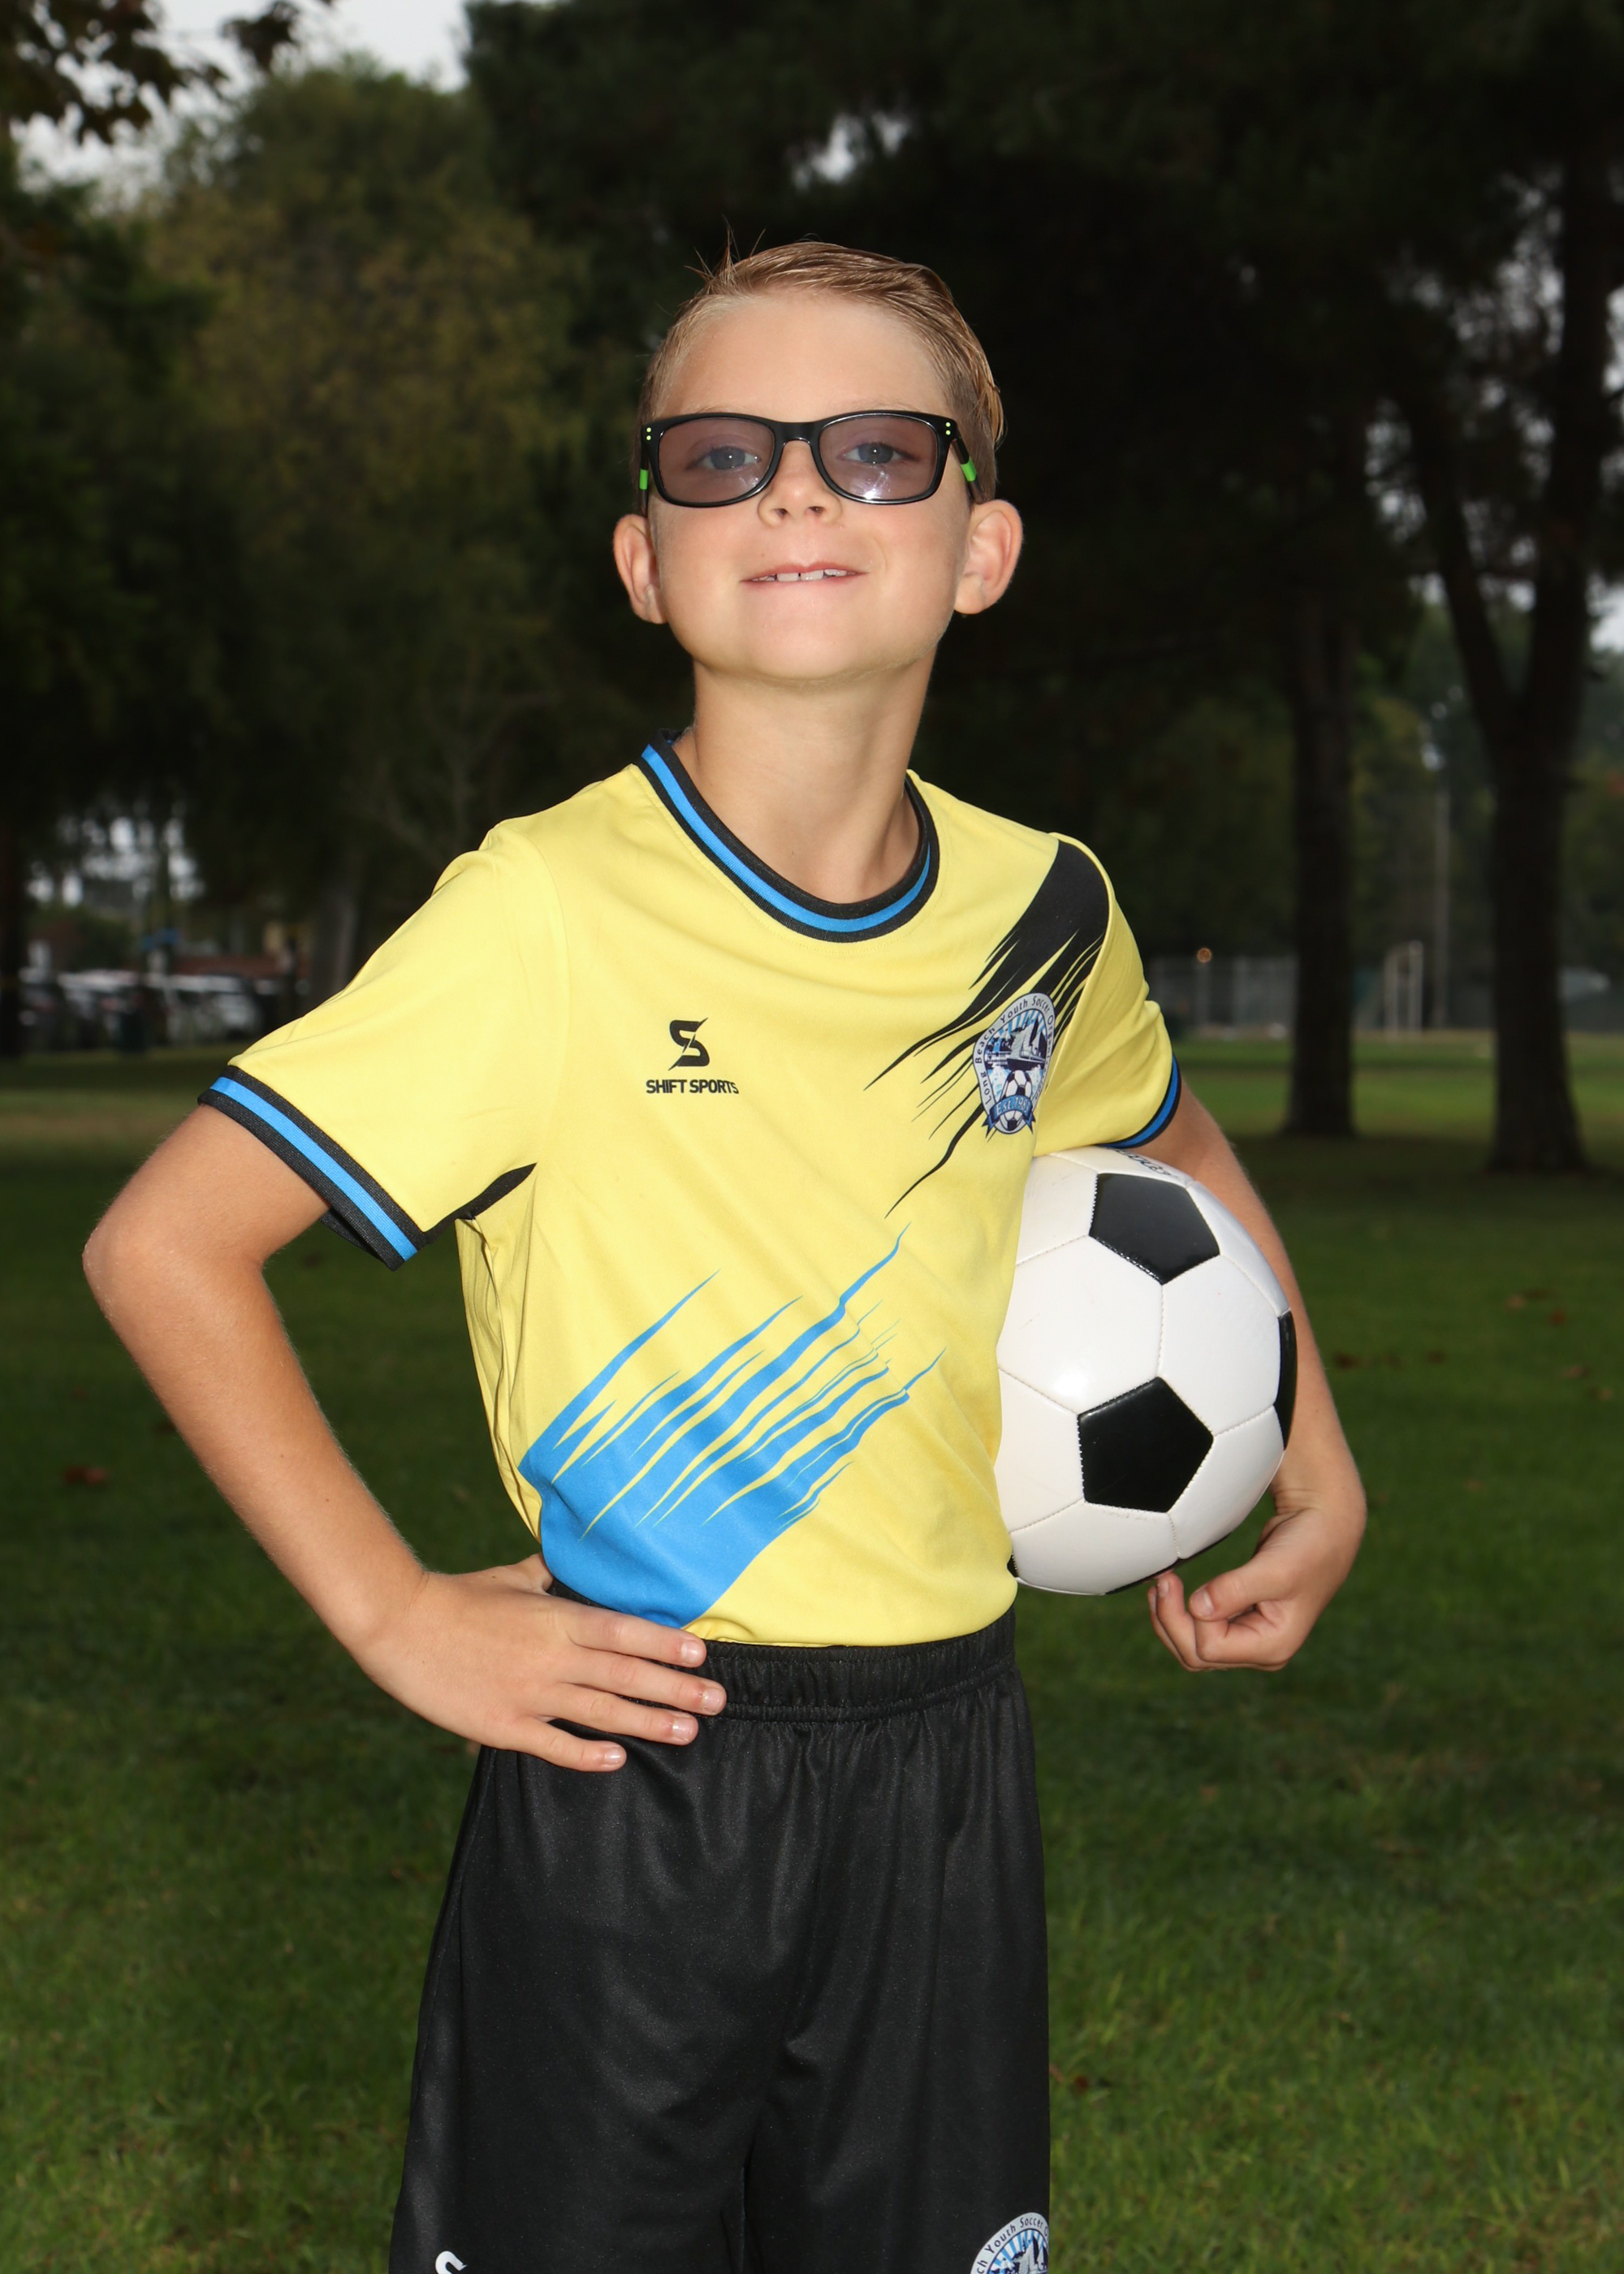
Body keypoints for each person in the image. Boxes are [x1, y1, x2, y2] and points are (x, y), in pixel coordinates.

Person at [84, 242, 1365, 2274]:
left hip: (949, 1763)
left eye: (873, 450)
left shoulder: (1048, 909)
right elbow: (167, 1243)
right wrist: (393, 1611)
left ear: (980, 546)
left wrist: (1317, 1460)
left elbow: (1167, 1143)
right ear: (643, 557)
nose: (791, 490)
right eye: (720, 455)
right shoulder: (547, 913)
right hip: (638, 1755)